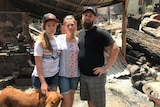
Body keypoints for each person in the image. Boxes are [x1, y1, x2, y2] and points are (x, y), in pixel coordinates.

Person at [78, 7, 120, 107]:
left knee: (98, 104)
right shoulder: (81, 33)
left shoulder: (100, 33)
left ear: (94, 18)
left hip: (96, 77)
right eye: (86, 15)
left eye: (90, 16)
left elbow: (115, 48)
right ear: (82, 17)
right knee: (89, 100)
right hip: (83, 76)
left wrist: (106, 67)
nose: (87, 17)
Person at [32, 13, 60, 94]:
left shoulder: (58, 41)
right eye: (49, 25)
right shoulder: (40, 43)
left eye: (53, 25)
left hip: (53, 75)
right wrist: (43, 82)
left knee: (52, 101)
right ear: (44, 26)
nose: (51, 28)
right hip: (40, 77)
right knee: (40, 102)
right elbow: (38, 64)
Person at [57, 15, 80, 107]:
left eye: (72, 25)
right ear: (64, 27)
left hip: (75, 74)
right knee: (65, 99)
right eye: (68, 25)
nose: (70, 27)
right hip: (63, 74)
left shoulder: (78, 41)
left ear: (75, 25)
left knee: (71, 97)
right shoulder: (59, 39)